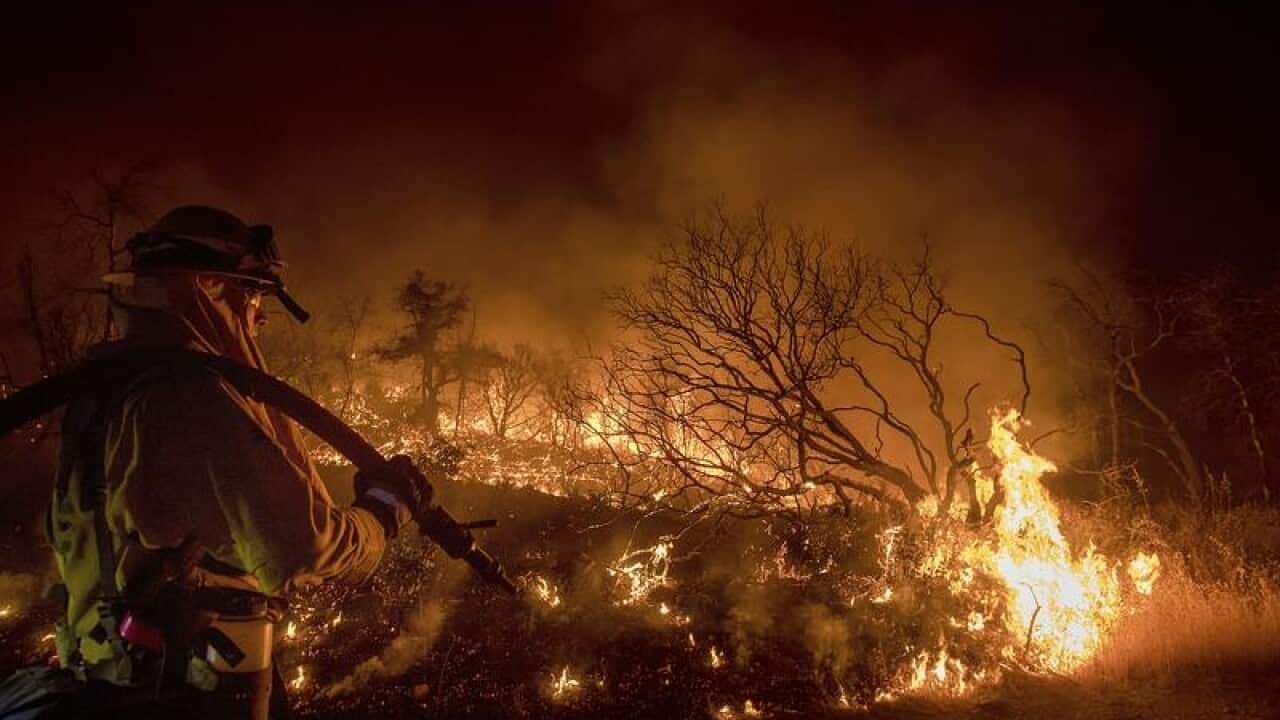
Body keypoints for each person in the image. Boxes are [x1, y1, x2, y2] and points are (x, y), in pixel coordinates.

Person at [44, 205, 431, 719]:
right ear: (206, 287)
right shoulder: (189, 398)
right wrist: (384, 510)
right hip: (184, 695)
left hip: (112, 676)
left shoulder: (107, 386)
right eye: (250, 292)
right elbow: (301, 549)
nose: (260, 314)